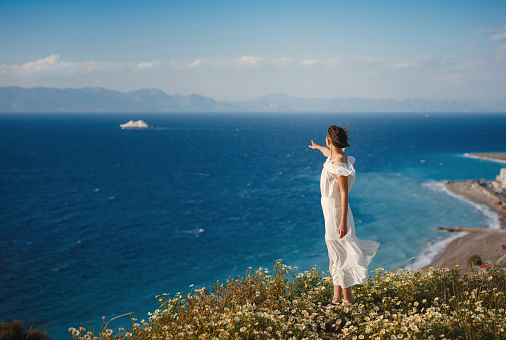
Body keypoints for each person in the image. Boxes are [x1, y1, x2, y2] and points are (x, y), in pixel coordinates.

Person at [309, 124, 380, 306]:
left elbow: (344, 193)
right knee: (336, 254)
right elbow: (327, 153)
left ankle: (347, 301)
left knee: (341, 253)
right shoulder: (336, 156)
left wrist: (342, 223)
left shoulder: (339, 163)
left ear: (329, 140)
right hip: (331, 211)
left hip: (336, 212)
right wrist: (317, 147)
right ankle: (336, 298)